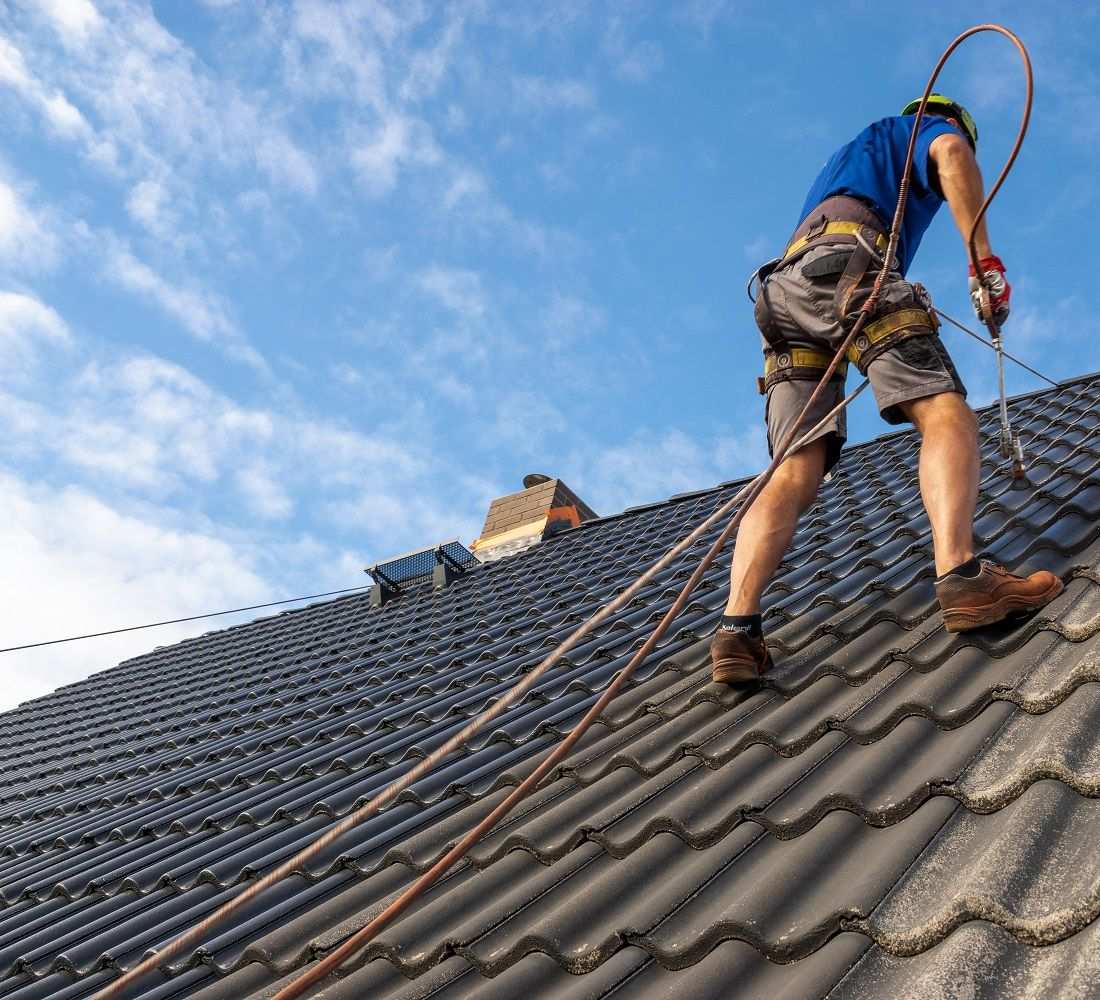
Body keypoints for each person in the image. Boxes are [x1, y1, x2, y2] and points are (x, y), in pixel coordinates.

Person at [711, 95, 1064, 685]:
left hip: (784, 294)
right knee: (945, 411)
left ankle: (736, 632)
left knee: (794, 467)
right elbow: (949, 153)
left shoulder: (850, 159)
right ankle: (961, 575)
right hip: (849, 267)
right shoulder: (927, 131)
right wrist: (984, 266)